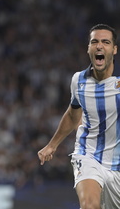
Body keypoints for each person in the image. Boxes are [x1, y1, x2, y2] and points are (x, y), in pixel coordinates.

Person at [38, 24, 120, 209]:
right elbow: (73, 114)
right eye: (94, 42)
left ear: (114, 50)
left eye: (105, 42)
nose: (99, 46)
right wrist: (52, 145)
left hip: (117, 166)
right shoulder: (79, 80)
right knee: (90, 206)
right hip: (88, 156)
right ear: (88, 48)